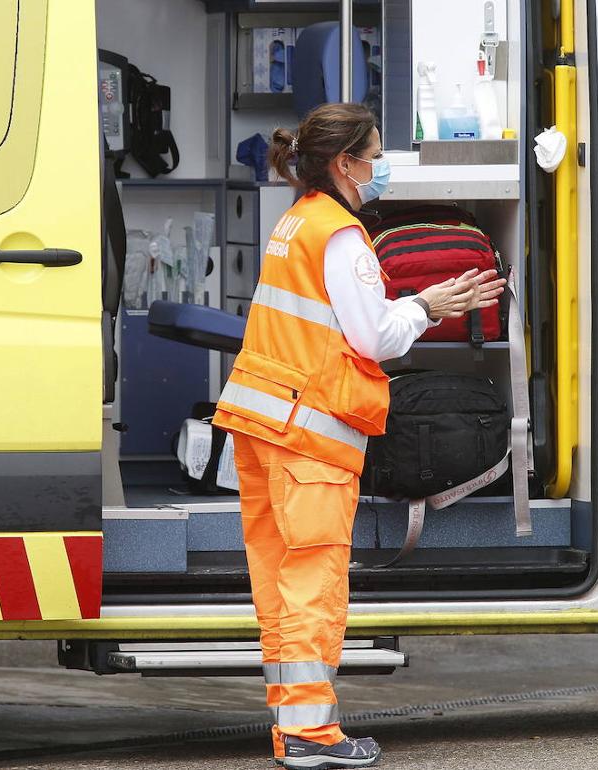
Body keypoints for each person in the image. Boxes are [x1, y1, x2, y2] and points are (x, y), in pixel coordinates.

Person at [212, 102, 505, 770]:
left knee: (281, 588)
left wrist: (413, 305)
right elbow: (374, 338)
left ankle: (295, 731)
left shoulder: (297, 222)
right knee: (313, 586)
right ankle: (313, 738)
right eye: (375, 156)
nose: (382, 168)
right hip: (308, 438)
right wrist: (428, 305)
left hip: (261, 425)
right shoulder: (342, 236)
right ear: (345, 163)